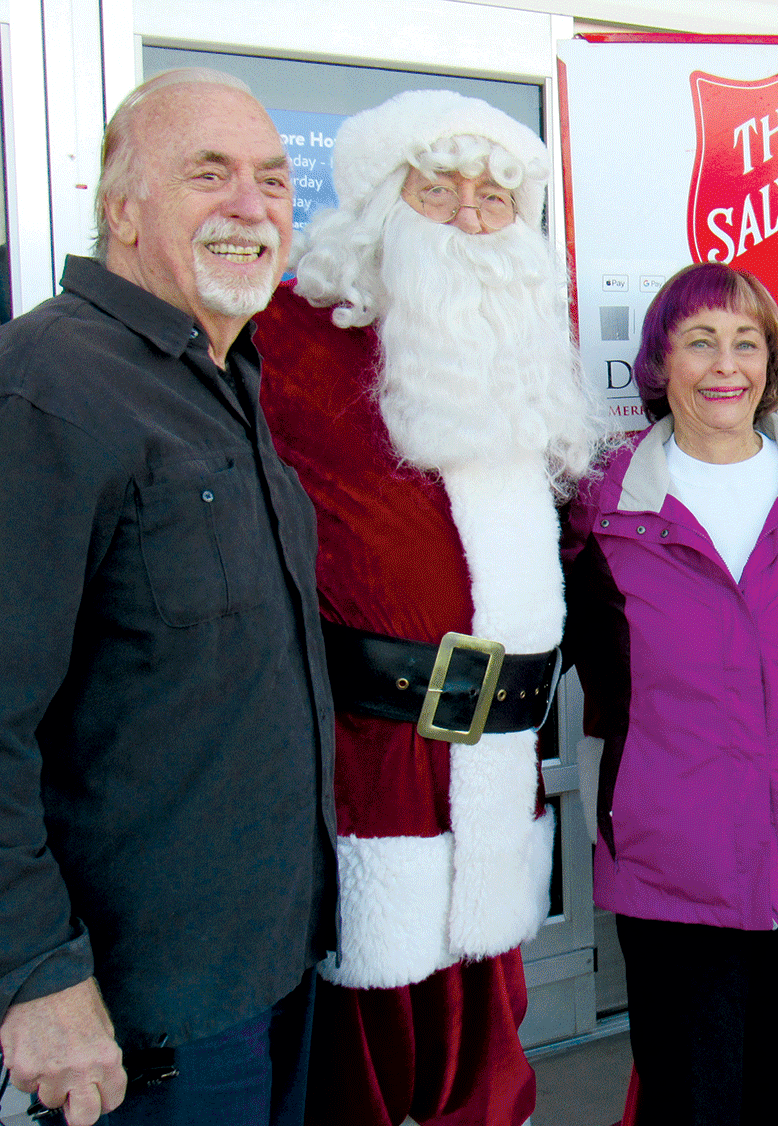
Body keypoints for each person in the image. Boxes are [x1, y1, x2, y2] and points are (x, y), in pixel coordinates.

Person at [253, 89, 605, 1126]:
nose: (468, 215)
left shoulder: (523, 346)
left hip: (496, 757)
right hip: (368, 753)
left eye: (495, 197)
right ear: (377, 204)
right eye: (437, 187)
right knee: (368, 1018)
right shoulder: (289, 338)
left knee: (486, 1020)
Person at [0, 68, 336, 1125]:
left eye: (275, 182)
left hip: (266, 974)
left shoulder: (228, 378)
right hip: (141, 1016)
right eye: (210, 175)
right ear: (122, 208)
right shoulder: (49, 384)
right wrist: (35, 973)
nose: (252, 207)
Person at [562, 261, 778, 1126]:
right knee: (691, 1102)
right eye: (699, 341)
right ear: (659, 363)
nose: (725, 365)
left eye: (747, 342)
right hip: (676, 858)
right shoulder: (598, 507)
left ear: (772, 363)